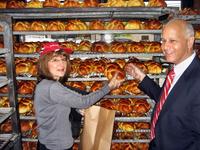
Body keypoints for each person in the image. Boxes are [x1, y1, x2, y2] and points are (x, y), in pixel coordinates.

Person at [125, 19, 200, 150]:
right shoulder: (177, 70)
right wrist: (141, 77)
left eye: (172, 41)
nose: (165, 47)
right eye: (163, 41)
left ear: (190, 42)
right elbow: (167, 100)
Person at [34, 42, 124, 150]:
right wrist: (109, 87)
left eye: (63, 59)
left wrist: (76, 108)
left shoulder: (48, 84)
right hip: (55, 146)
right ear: (44, 63)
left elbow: (64, 101)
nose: (61, 64)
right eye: (55, 60)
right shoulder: (52, 87)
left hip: (51, 142)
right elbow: (83, 101)